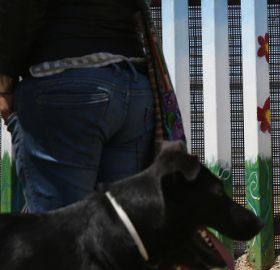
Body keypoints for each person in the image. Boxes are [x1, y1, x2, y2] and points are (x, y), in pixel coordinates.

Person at [0, 0, 160, 213]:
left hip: (64, 81)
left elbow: (19, 7)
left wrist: (4, 81)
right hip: (132, 82)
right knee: (120, 231)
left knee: (60, 232)